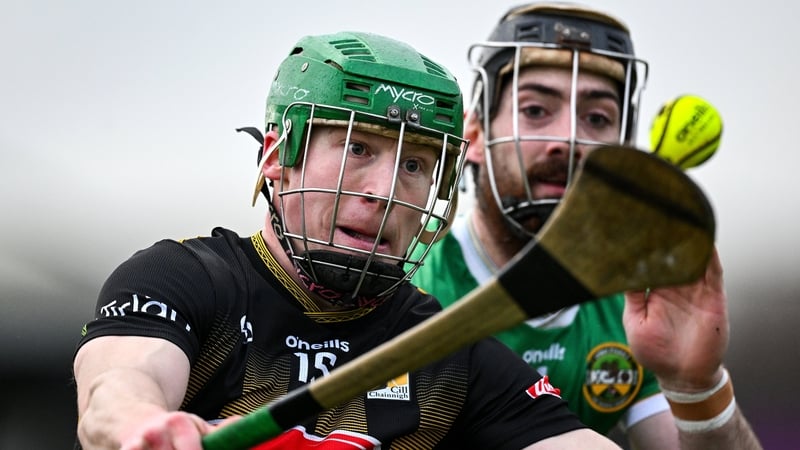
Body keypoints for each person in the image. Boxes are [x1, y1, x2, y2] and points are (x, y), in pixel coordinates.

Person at [72, 31, 635, 450]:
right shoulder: (187, 280)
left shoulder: (445, 349)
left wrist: (694, 382)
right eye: (358, 149)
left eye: (415, 163)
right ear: (277, 158)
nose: (386, 192)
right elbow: (118, 385)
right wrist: (144, 424)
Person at [410, 3, 763, 450]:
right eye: (536, 110)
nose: (569, 140)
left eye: (597, 119)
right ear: (475, 137)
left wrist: (698, 386)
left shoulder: (633, 308)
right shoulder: (408, 288)